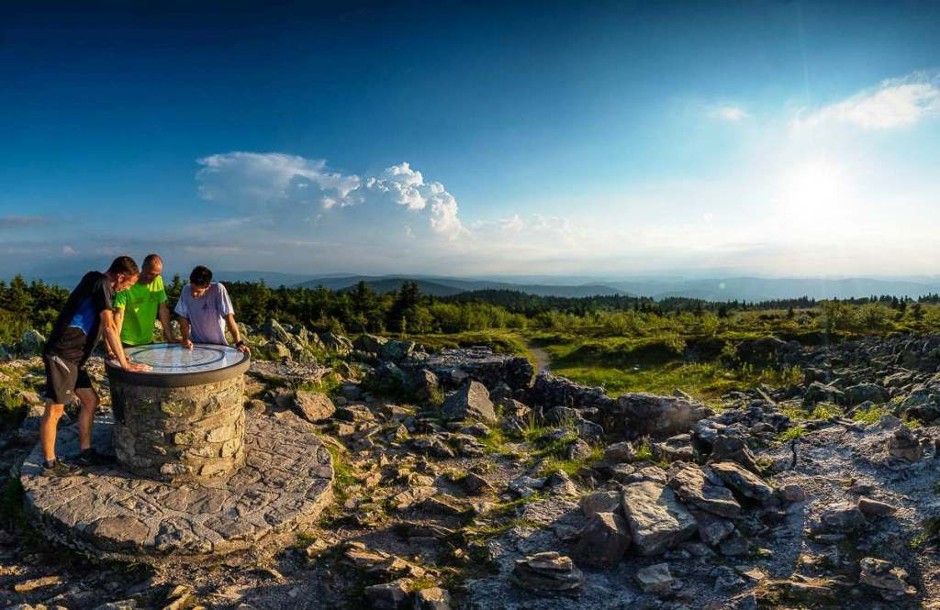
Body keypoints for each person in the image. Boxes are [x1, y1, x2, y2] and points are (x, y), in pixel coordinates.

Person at [40, 256, 149, 475]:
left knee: (91, 400)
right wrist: (124, 364)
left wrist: (113, 351)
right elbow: (109, 326)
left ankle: (86, 452)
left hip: (74, 358)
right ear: (120, 277)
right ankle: (50, 465)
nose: (127, 288)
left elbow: (102, 326)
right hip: (62, 354)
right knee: (55, 408)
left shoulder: (95, 280)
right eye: (128, 284)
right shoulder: (102, 285)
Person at [174, 265, 250, 354]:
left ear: (208, 287)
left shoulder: (218, 290)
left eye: (198, 291)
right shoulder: (186, 290)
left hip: (218, 345)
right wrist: (185, 339)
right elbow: (183, 317)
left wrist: (239, 343)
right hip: (196, 344)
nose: (193, 294)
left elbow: (228, 317)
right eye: (192, 288)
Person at [113, 253, 177, 346]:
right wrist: (116, 343)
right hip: (127, 341)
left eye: (156, 275)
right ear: (143, 268)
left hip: (148, 340)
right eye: (150, 273)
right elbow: (119, 314)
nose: (153, 277)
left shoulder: (158, 280)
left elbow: (163, 310)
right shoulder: (127, 283)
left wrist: (170, 337)